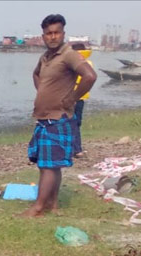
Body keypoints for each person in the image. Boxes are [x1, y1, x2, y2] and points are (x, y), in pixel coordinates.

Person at [22, 14, 96, 217]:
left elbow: (90, 76)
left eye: (56, 32)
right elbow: (36, 74)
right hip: (44, 117)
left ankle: (38, 208)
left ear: (63, 33)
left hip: (58, 117)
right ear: (43, 35)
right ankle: (52, 204)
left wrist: (72, 98)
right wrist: (43, 91)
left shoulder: (68, 55)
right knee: (51, 165)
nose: (52, 37)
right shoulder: (45, 57)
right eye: (48, 33)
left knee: (48, 166)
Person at [71, 42, 94, 158]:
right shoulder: (88, 63)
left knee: (67, 122)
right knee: (76, 122)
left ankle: (74, 149)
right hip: (81, 97)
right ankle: (77, 149)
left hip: (69, 96)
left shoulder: (71, 63)